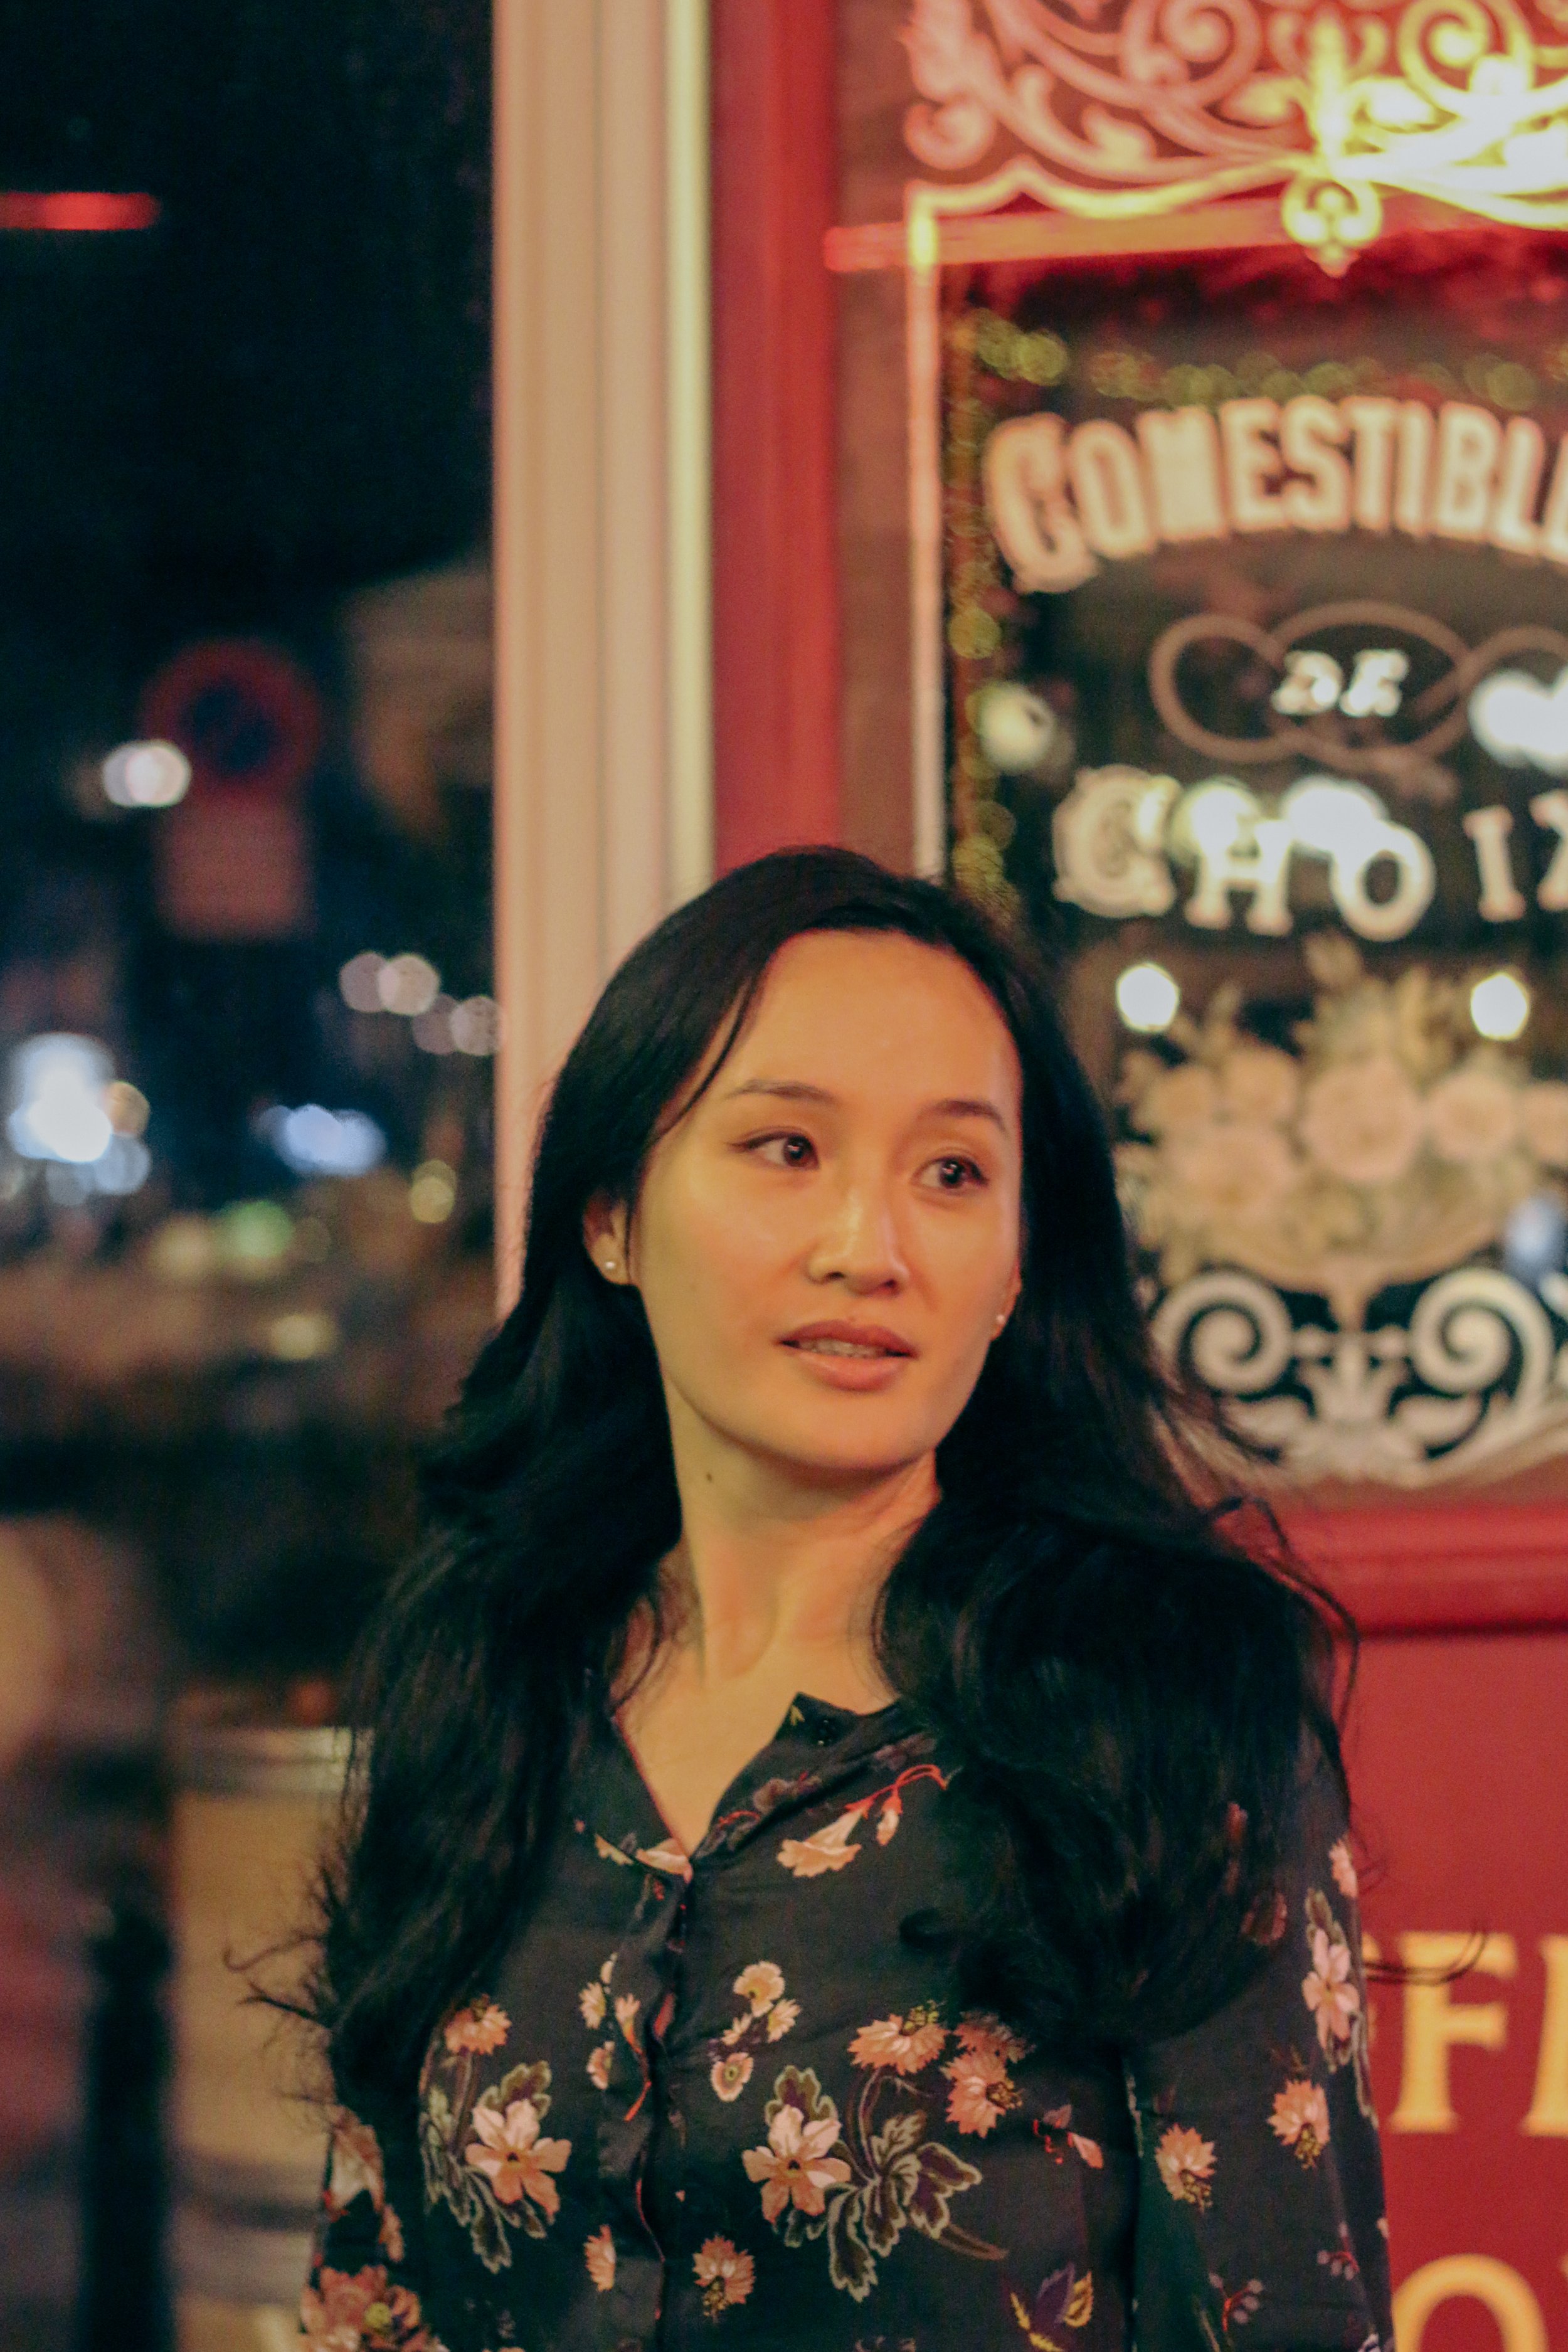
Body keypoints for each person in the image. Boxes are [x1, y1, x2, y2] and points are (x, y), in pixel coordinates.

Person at [300, 849, 1391, 2352]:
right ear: (610, 1215)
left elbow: (1284, 2318)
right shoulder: (489, 1680)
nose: (865, 1249)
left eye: (951, 1174)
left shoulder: (1160, 1721)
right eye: (784, 1150)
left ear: (1017, 1263)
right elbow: (372, 2294)